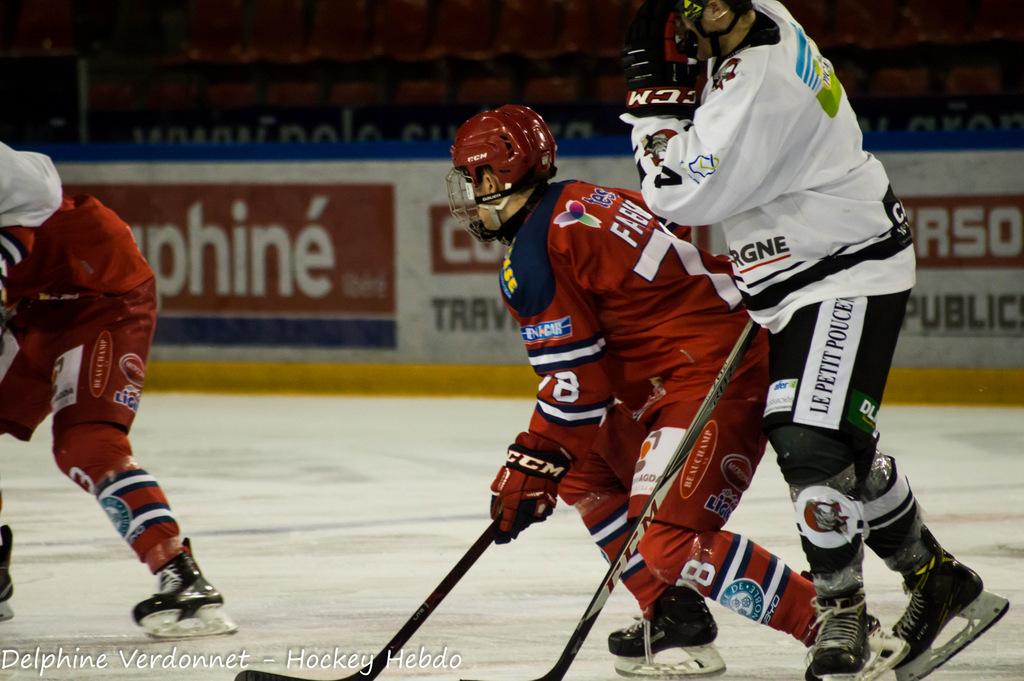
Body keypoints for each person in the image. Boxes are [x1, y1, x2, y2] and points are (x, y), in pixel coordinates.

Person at [618, 1, 1008, 679]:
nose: (681, 32)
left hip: (841, 271)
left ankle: (841, 609)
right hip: (815, 271)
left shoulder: (756, 82)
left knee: (805, 438)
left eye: (691, 11)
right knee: (839, 447)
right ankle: (936, 577)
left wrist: (653, 111)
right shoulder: (762, 14)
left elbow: (675, 195)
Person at [447, 104, 821, 677]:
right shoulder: (582, 198)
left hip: (715, 374)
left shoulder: (534, 255)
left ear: (497, 175)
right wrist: (546, 461)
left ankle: (826, 623)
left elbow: (577, 387)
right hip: (688, 369)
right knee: (579, 465)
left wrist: (526, 465)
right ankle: (673, 612)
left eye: (474, 178)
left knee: (667, 538)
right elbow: (589, 386)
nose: (471, 193)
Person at [0, 140, 235, 638]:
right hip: (32, 305)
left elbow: (36, 186)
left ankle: (181, 576)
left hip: (100, 293)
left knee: (86, 444)